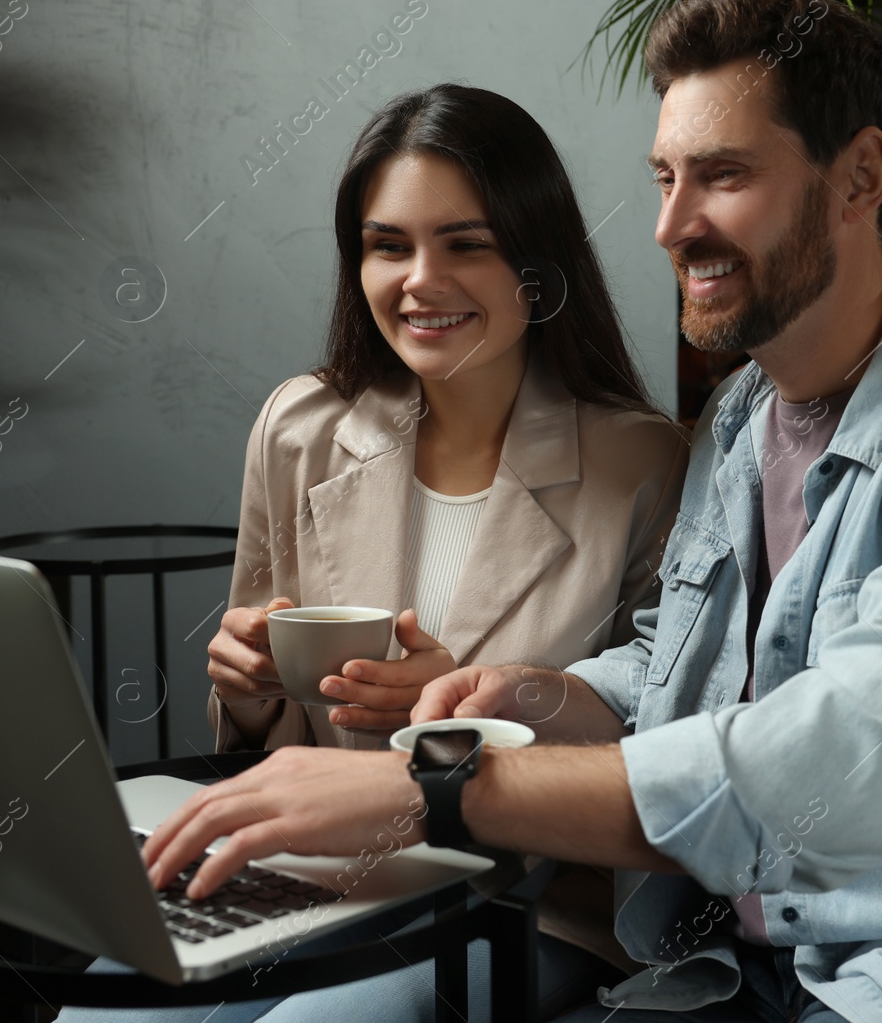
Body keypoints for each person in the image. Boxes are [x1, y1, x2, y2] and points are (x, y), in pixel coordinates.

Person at [139, 0, 882, 1023]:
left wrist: (436, 786)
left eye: (723, 175)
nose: (674, 225)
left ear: (861, 178)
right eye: (665, 179)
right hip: (732, 966)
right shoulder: (734, 421)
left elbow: (831, 777)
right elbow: (690, 665)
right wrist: (551, 691)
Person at [61, 84, 688, 1022]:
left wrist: (468, 705)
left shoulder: (646, 463)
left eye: (465, 243)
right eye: (388, 245)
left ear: (536, 260)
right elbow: (262, 735)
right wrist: (244, 685)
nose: (419, 281)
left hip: (533, 905)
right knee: (100, 1011)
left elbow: (667, 747)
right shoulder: (300, 427)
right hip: (315, 867)